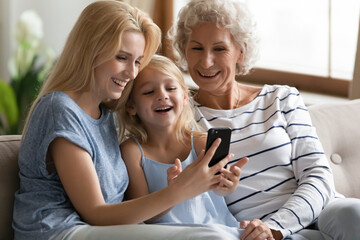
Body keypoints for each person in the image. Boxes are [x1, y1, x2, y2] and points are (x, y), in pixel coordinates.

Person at [12, 1, 239, 240]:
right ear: (90, 51)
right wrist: (180, 190)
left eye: (137, 61)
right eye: (122, 57)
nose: (132, 73)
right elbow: (96, 213)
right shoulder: (59, 108)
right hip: (58, 232)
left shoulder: (106, 116)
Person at [169, 0, 360, 239]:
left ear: (241, 51)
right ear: (184, 50)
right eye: (196, 48)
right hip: (251, 231)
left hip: (320, 214)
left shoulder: (281, 97)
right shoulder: (183, 116)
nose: (206, 62)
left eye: (219, 49)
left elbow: (318, 175)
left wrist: (276, 226)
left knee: (355, 212)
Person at [118, 54, 249, 238]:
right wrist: (174, 192)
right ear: (131, 106)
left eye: (171, 88)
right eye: (149, 92)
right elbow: (146, 217)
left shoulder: (201, 143)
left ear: (185, 97)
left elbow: (218, 190)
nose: (162, 96)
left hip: (217, 230)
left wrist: (228, 185)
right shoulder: (132, 152)